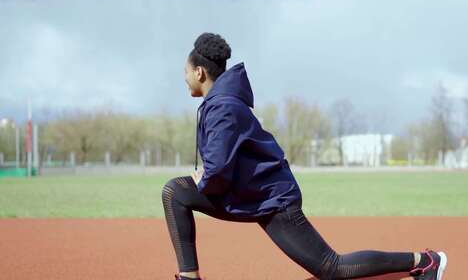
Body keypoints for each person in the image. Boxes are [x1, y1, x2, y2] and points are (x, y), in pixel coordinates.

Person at [162, 32, 447, 280]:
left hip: (273, 200)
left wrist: (203, 180)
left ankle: (425, 261)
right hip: (249, 194)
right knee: (175, 192)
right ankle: (189, 276)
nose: (184, 78)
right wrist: (205, 179)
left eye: (185, 72)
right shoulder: (220, 103)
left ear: (199, 72)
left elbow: (219, 170)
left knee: (332, 267)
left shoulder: (222, 107)